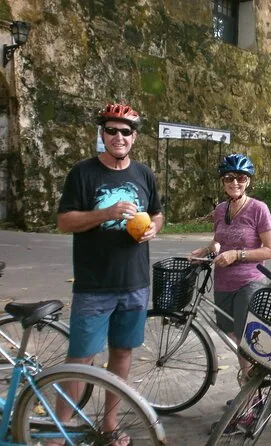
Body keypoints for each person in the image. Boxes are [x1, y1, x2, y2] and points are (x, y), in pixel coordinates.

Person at [56, 101, 163, 445]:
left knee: (122, 353)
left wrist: (154, 228)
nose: (119, 137)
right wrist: (106, 213)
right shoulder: (83, 173)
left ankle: (109, 425)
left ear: (134, 137)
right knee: (81, 360)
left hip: (134, 283)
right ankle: (57, 433)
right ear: (102, 134)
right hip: (94, 285)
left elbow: (158, 213)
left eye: (125, 131)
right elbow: (64, 221)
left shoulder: (144, 174)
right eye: (111, 130)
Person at [190, 153, 271, 384]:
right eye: (229, 178)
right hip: (223, 282)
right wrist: (205, 250)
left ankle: (253, 393)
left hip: (249, 282)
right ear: (223, 181)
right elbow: (219, 241)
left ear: (248, 180)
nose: (235, 182)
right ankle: (249, 385)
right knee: (233, 336)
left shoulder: (258, 209)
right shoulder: (221, 209)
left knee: (247, 340)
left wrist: (237, 255)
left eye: (241, 177)